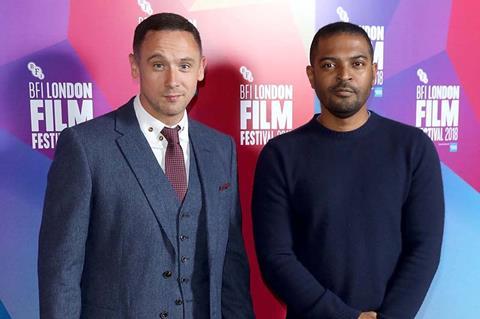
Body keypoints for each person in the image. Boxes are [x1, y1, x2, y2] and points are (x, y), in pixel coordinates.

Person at [38, 12, 254, 319]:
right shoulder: (86, 147)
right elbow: (61, 273)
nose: (172, 80)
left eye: (184, 65)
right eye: (158, 65)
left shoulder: (220, 148)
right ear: (134, 66)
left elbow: (230, 264)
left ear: (201, 69)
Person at [252, 21, 444, 319]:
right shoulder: (281, 155)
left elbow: (424, 248)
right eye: (329, 65)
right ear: (311, 75)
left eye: (357, 63)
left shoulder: (413, 148)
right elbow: (276, 257)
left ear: (373, 72)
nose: (344, 76)